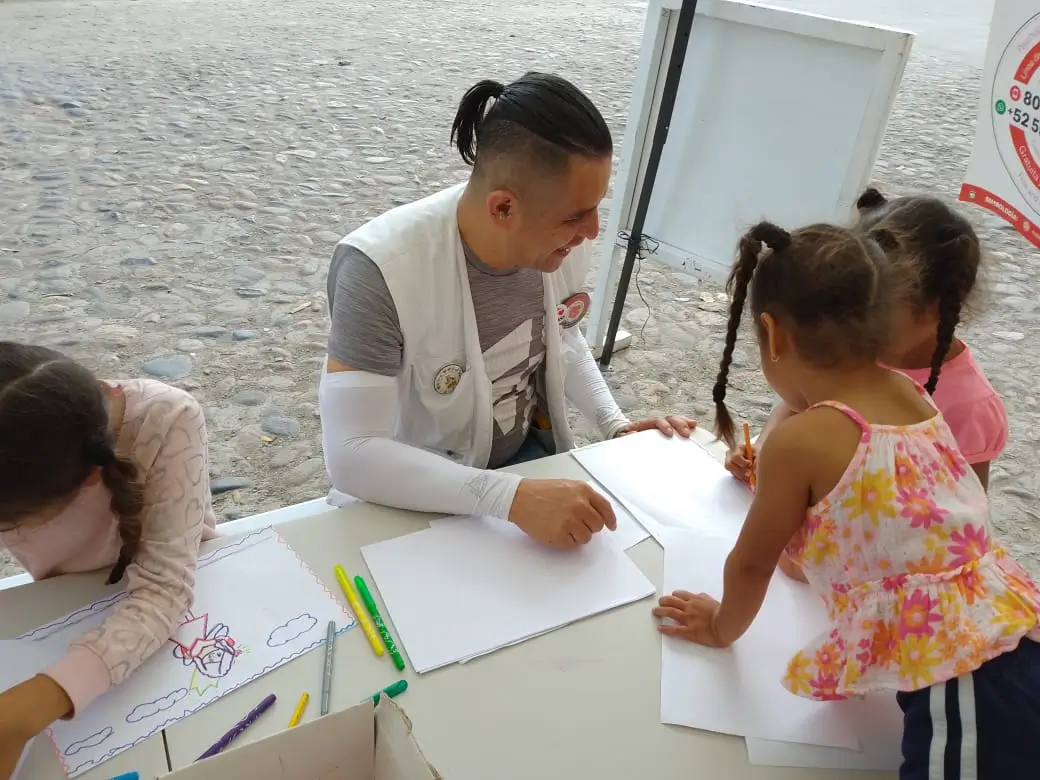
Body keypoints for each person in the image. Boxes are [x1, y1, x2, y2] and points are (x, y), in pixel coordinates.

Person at [652, 222, 1040, 778]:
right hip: (1011, 628)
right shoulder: (912, 393)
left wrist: (719, 627)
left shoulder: (802, 438)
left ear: (773, 334)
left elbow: (753, 562)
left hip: (969, 679)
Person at [319, 72, 696, 548]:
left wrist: (615, 425)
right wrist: (508, 498)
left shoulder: (558, 241)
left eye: (596, 206)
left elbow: (562, 336)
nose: (593, 231)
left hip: (529, 460)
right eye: (576, 215)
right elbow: (352, 453)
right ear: (503, 209)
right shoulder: (379, 270)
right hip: (422, 489)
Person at [0, 343, 217, 778]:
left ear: (90, 480)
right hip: (57, 605)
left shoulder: (165, 418)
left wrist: (33, 706)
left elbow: (164, 590)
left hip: (197, 592)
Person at [726, 190, 1007, 492]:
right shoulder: (859, 346)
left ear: (934, 308)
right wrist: (764, 446)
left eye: (876, 308)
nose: (857, 320)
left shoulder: (969, 407)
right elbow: (801, 401)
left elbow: (969, 507)